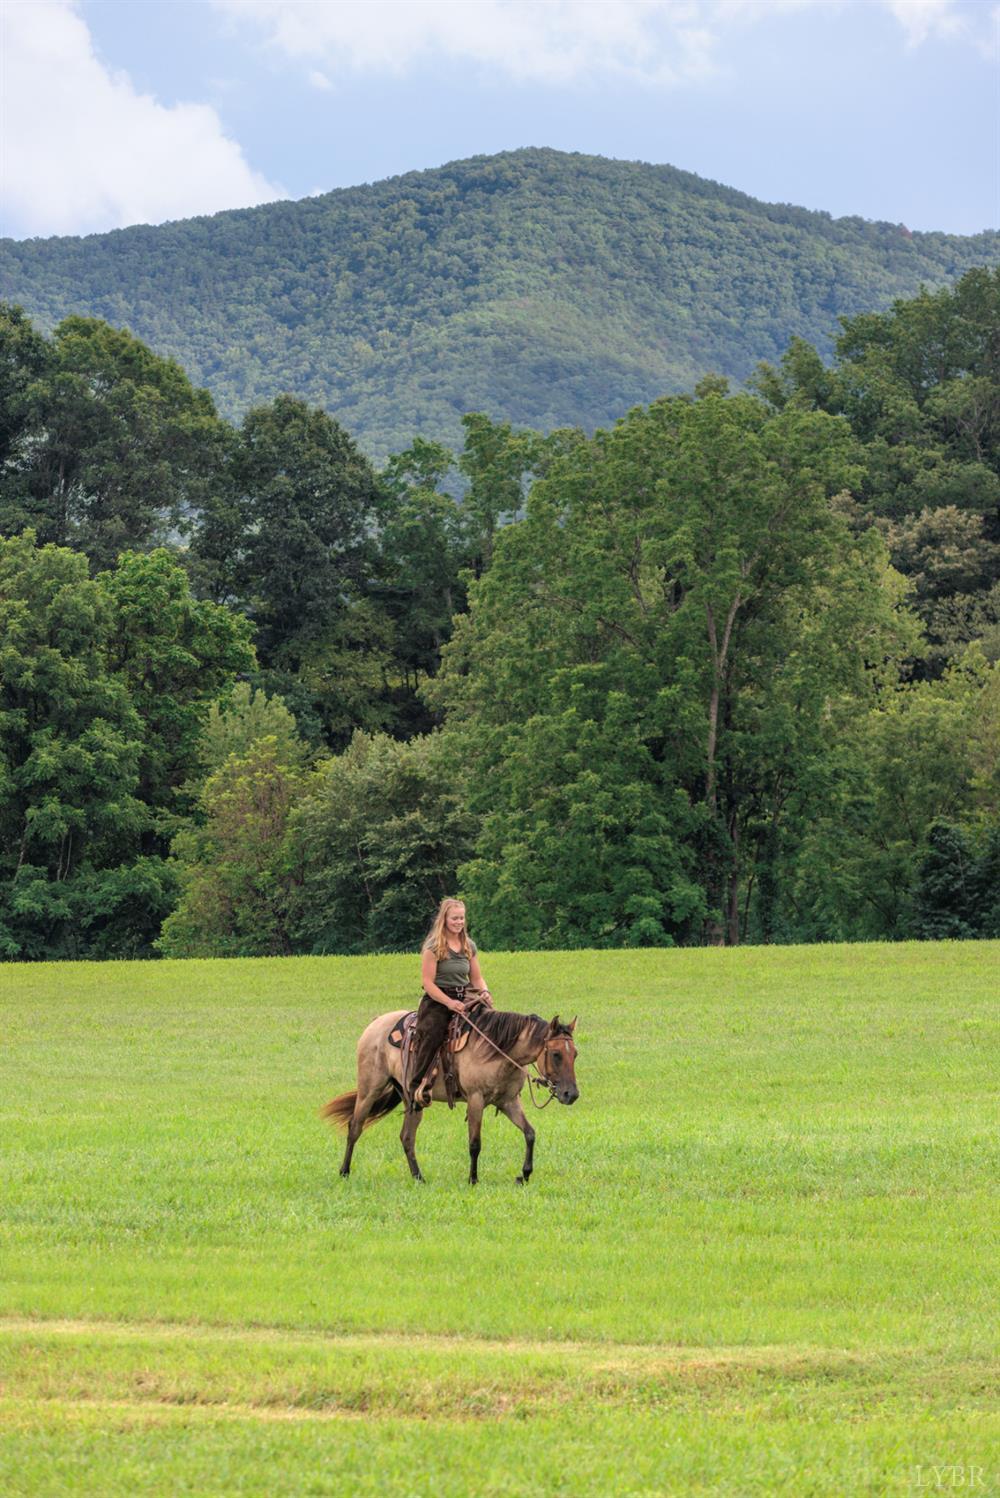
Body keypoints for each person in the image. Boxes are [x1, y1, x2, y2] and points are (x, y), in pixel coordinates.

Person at [406, 897, 492, 1111]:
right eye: (455, 918)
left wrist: (484, 992)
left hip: (466, 997)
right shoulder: (433, 947)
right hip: (438, 999)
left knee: (493, 1023)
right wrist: (449, 1003)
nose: (459, 922)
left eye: (462, 918)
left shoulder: (468, 945)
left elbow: (476, 978)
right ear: (444, 919)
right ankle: (417, 1086)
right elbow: (427, 983)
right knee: (433, 1032)